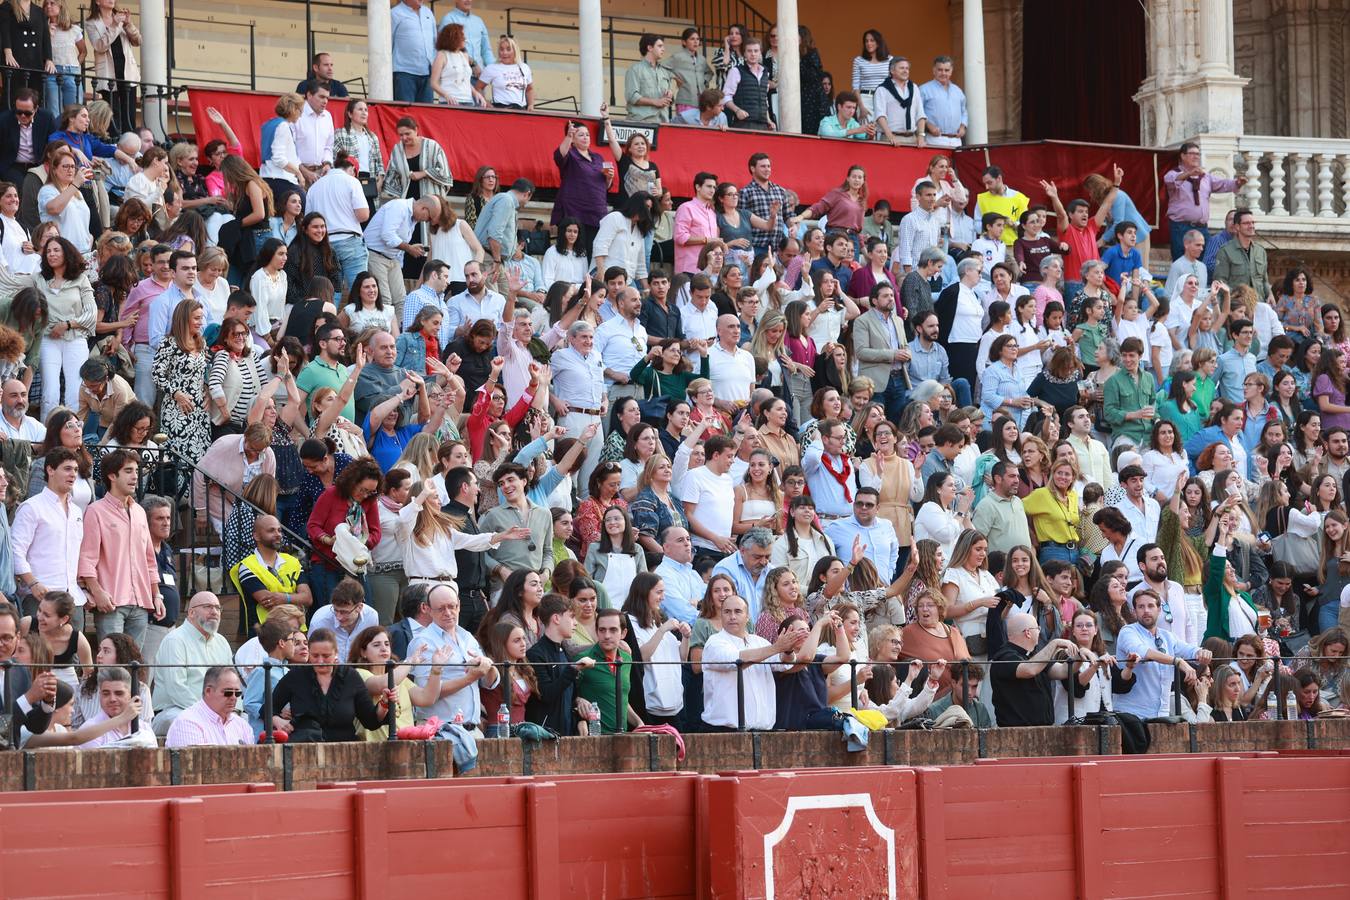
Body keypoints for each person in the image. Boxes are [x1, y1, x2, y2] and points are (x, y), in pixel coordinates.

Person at [77, 447, 161, 644]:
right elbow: (87, 558)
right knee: (111, 667)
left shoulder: (140, 511)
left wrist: (157, 595)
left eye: (136, 471)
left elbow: (149, 559)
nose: (135, 477)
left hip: (141, 602)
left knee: (133, 668)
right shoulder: (95, 511)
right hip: (111, 602)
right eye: (128, 471)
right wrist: (97, 593)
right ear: (112, 476)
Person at [270, 627, 391, 742]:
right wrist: (276, 720)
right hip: (304, 748)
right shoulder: (296, 676)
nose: (320, 661)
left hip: (344, 751)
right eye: (315, 656)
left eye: (326, 656)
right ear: (309, 653)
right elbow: (269, 707)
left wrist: (384, 703)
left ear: (336, 653)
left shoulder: (351, 677)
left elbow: (370, 721)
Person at [1113, 589, 1213, 720]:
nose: (1146, 611)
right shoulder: (1128, 631)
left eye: (1151, 606)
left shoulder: (1167, 636)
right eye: (1141, 607)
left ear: (1159, 610)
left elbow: (1189, 649)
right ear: (1134, 611)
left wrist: (1201, 652)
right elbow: (1143, 652)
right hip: (1131, 714)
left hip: (1162, 715)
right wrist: (1178, 662)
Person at [149, 591, 233, 736]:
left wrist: (233, 709)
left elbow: (232, 683)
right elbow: (176, 688)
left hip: (217, 710)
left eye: (218, 608)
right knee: (182, 721)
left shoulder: (222, 642)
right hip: (176, 709)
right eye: (208, 607)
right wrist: (207, 713)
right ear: (191, 612)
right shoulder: (175, 640)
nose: (214, 612)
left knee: (242, 720)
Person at [523, 593, 594, 734]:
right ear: (556, 618)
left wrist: (580, 719)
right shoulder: (535, 654)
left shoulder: (564, 652)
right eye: (572, 617)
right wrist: (573, 669)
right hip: (544, 736)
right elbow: (546, 694)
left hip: (566, 734)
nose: (575, 623)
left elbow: (569, 697)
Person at [1164, 142, 1245, 260]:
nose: (1196, 156)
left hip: (1202, 228)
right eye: (1192, 153)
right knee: (1182, 260)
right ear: (1182, 156)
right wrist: (1189, 174)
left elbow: (1222, 183)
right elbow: (1171, 180)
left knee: (1205, 261)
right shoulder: (1174, 173)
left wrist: (1237, 183)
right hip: (1181, 227)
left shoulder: (1205, 177)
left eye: (1198, 154)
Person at [163, 666, 254, 748]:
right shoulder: (187, 722)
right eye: (228, 692)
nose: (233, 697)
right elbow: (192, 764)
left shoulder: (242, 725)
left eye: (237, 693)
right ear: (208, 691)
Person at [824, 488, 899, 584]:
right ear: (854, 505)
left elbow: (894, 551)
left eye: (869, 505)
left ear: (877, 508)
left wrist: (889, 573)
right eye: (859, 504)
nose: (863, 507)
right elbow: (823, 555)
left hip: (883, 591)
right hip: (851, 594)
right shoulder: (837, 527)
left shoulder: (886, 525)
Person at [390, 0, 437, 103]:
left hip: (427, 73)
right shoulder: (394, 13)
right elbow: (388, 43)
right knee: (405, 113)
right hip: (404, 73)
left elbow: (434, 41)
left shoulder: (428, 12)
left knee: (425, 114)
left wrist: (434, 64)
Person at [625, 33, 676, 123]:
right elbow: (632, 97)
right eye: (660, 46)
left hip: (663, 122)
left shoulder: (664, 71)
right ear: (650, 48)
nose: (663, 49)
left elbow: (668, 99)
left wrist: (670, 95)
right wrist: (655, 102)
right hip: (642, 122)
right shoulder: (635, 69)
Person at [919, 55, 966, 148]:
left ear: (951, 71)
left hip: (956, 141)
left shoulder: (958, 91)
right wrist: (928, 125)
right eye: (940, 70)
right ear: (934, 70)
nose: (943, 73)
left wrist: (963, 127)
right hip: (934, 140)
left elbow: (964, 111)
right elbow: (918, 112)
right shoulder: (924, 89)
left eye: (947, 70)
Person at [476, 34, 533, 109]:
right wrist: (486, 103)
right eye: (501, 49)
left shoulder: (524, 67)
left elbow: (529, 89)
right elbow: (478, 87)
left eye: (508, 49)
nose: (504, 53)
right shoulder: (492, 68)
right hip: (500, 110)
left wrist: (531, 105)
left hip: (520, 110)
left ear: (515, 50)